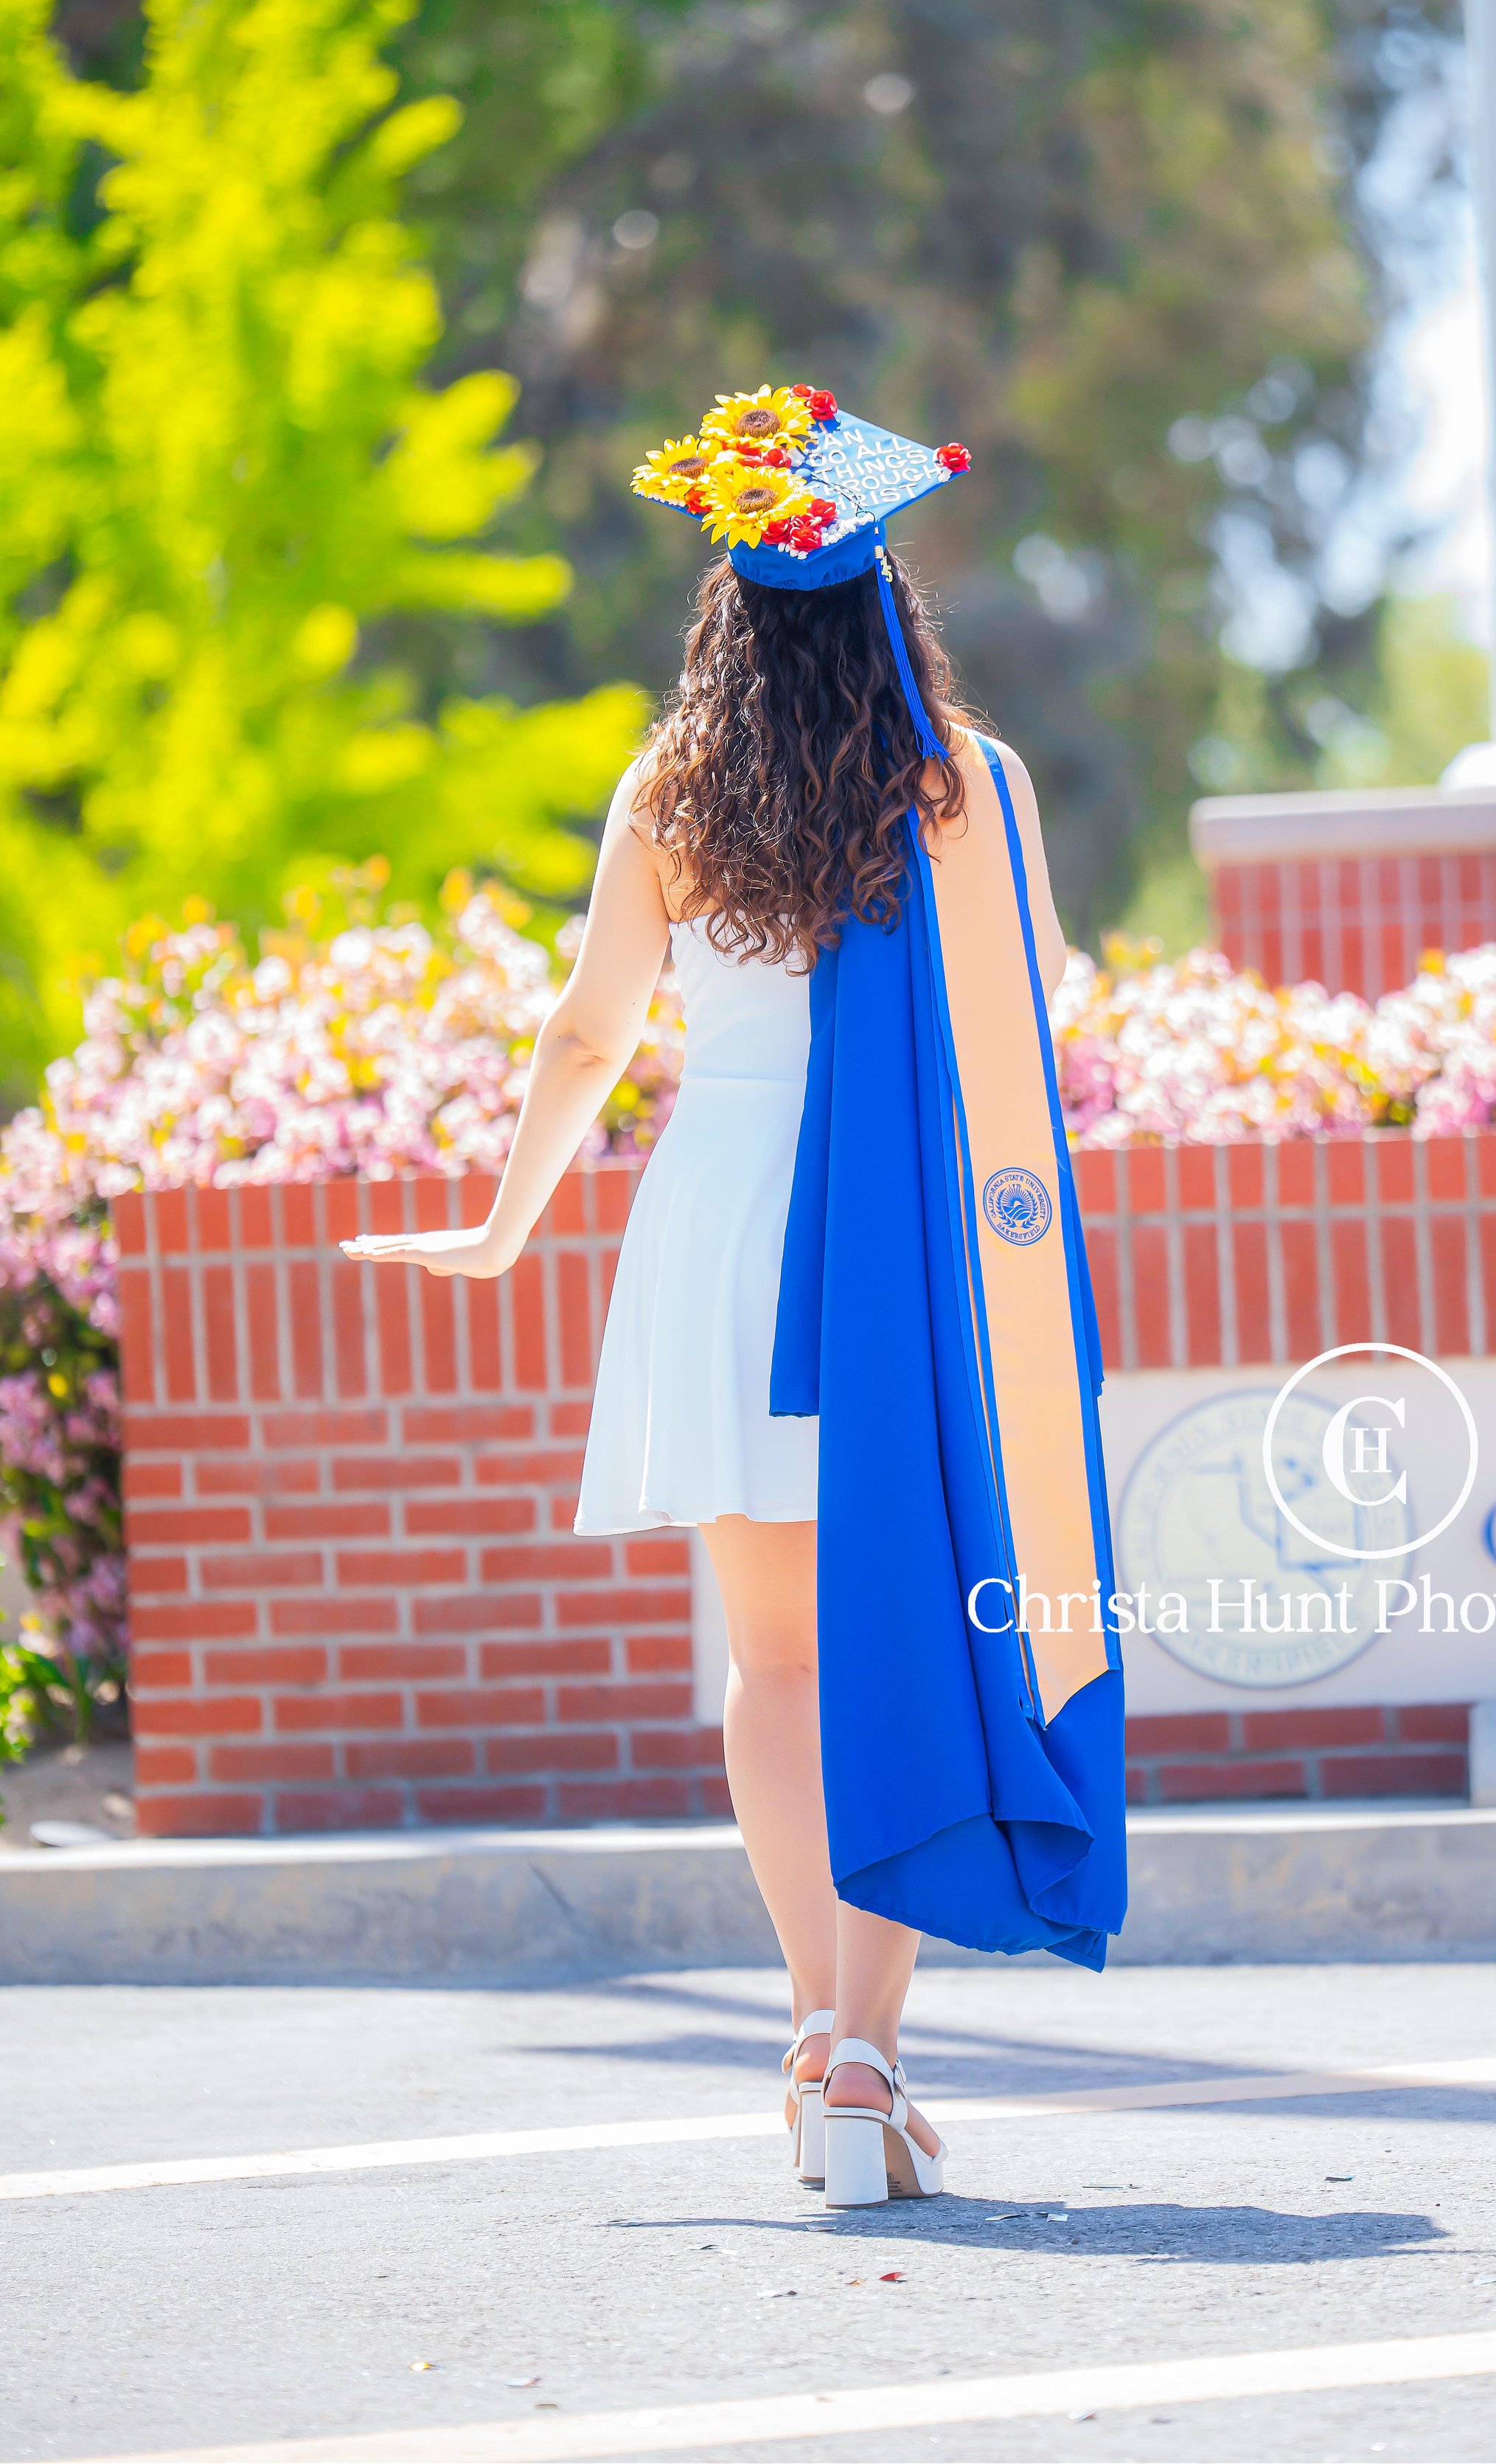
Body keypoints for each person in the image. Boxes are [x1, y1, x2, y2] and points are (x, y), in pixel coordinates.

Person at [344, 386, 1125, 2210]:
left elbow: (586, 1035)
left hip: (717, 1223)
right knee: (900, 1644)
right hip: (892, 1247)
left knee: (772, 1662)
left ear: (725, 608)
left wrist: (502, 1225)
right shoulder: (967, 786)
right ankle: (866, 2055)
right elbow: (1029, 1007)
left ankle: (811, 2033)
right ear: (886, 601)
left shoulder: (670, 791)